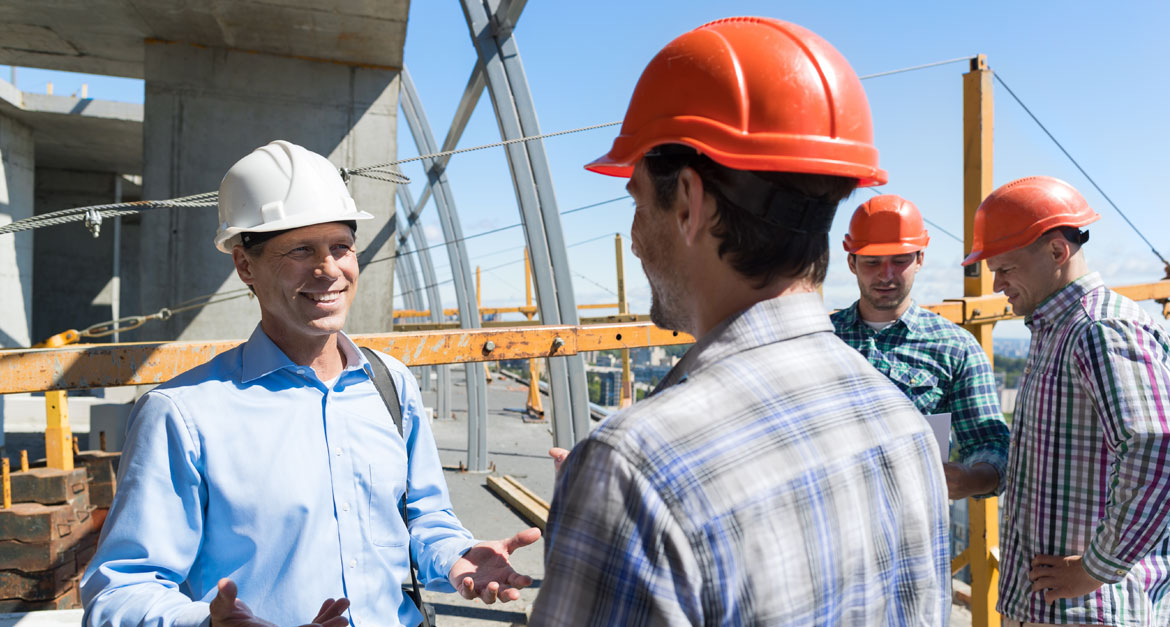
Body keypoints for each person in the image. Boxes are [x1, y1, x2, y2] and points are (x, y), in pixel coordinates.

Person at [530, 17, 949, 626]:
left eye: (639, 201)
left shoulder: (636, 469)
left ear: (689, 202)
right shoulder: (898, 421)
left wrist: (604, 515)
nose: (635, 238)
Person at [81, 140, 539, 627]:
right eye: (301, 250)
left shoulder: (389, 385)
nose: (328, 270)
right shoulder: (184, 414)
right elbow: (121, 590)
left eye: (341, 247)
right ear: (244, 266)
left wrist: (456, 555)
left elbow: (425, 518)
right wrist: (205, 625)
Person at [963, 175, 1170, 626]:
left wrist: (1097, 568)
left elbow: (1167, 453)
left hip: (1090, 610)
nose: (996, 284)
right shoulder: (1059, 329)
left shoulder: (1099, 330)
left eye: (1006, 268)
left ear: (1056, 251)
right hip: (1055, 606)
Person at [832, 194, 1010, 499]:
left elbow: (990, 441)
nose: (886, 275)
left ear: (920, 260)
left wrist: (972, 478)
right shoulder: (821, 339)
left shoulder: (956, 347)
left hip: (914, 532)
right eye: (872, 262)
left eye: (900, 261)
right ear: (852, 262)